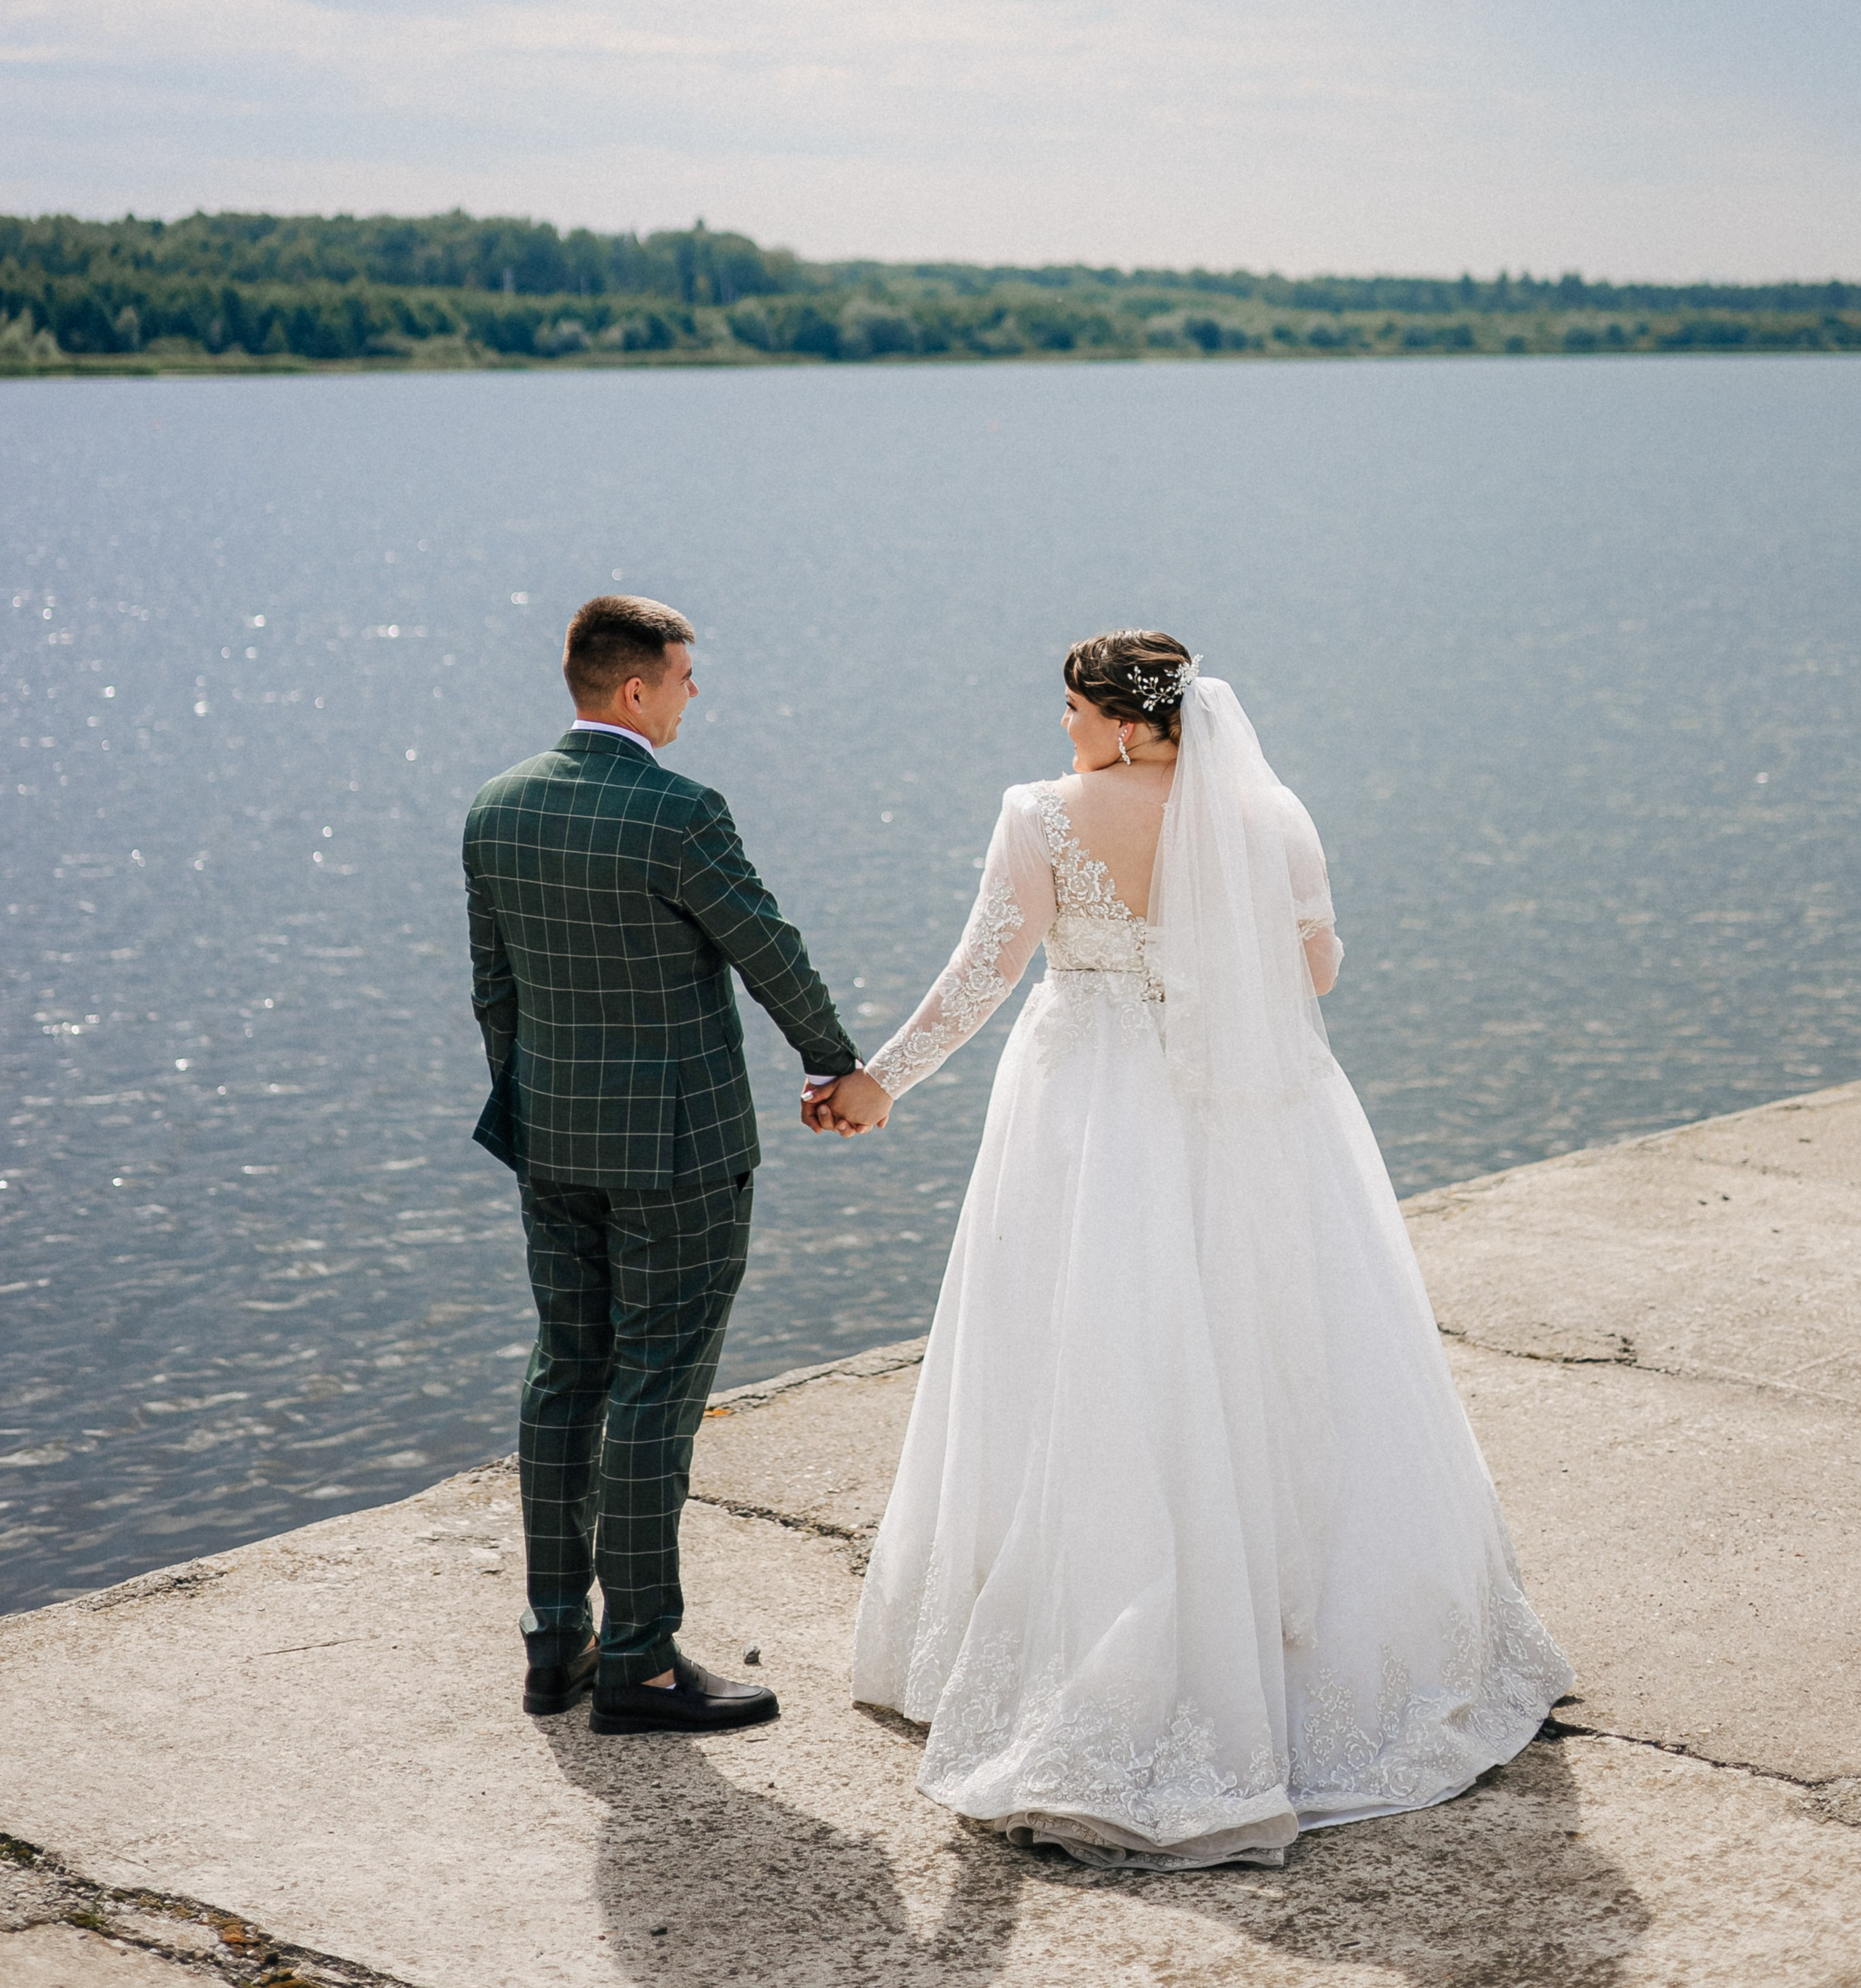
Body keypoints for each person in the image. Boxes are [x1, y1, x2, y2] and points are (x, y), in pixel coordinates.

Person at [817, 629, 1572, 1869]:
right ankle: (1294, 1641)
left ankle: (1096, 1629)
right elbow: (1316, 970)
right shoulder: (1270, 814)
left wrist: (878, 1081)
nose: (1063, 729)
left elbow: (982, 975)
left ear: (1123, 722)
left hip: (1093, 1117)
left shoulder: (1042, 815)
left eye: (1073, 709)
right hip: (1249, 1123)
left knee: (1098, 1352)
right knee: (1262, 1347)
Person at [463, 593, 867, 1734]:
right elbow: (766, 947)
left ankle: (557, 1643)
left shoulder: (497, 808)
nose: (696, 693)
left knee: (565, 1374)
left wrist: (541, 1108)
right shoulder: (678, 812)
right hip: (680, 1152)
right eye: (687, 676)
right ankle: (639, 1661)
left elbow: (494, 990)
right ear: (637, 689)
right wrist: (835, 1063)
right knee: (655, 1390)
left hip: (550, 1138)